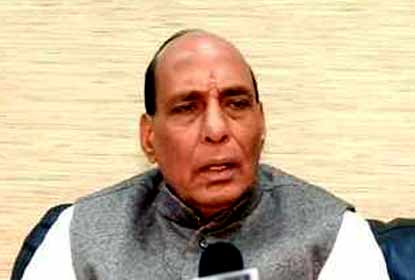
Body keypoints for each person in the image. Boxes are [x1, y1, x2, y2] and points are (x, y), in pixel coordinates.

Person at [19, 29, 390, 280]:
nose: (216, 129)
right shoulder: (78, 232)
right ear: (149, 138)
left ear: (261, 124)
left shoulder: (334, 232)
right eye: (186, 107)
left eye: (237, 104)